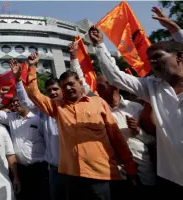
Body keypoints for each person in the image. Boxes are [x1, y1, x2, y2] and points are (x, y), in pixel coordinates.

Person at [90, 6, 183, 195]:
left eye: (158, 57)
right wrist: (100, 46)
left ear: (180, 57)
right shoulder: (152, 86)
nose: (153, 63)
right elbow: (115, 76)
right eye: (150, 60)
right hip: (174, 178)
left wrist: (176, 31)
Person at [24, 52, 137, 199]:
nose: (69, 88)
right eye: (64, 86)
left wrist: (129, 166)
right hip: (72, 176)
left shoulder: (98, 103)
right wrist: (32, 66)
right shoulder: (57, 108)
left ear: (80, 83)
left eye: (71, 84)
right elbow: (33, 93)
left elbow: (115, 136)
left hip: (101, 174)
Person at [69, 41, 157, 194]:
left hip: (144, 171)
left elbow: (154, 141)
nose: (96, 90)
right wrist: (73, 57)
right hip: (116, 173)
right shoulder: (98, 107)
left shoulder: (135, 108)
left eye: (100, 86)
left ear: (114, 86)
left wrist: (138, 131)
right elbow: (81, 84)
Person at [10, 59, 62, 200]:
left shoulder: (72, 108)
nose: (52, 93)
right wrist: (18, 80)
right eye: (49, 90)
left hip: (73, 169)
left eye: (56, 89)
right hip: (52, 169)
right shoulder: (44, 111)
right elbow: (27, 100)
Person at [0, 86, 49, 200]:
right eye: (13, 102)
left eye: (18, 101)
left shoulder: (38, 118)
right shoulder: (11, 117)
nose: (15, 104)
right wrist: (0, 95)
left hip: (40, 169)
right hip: (21, 170)